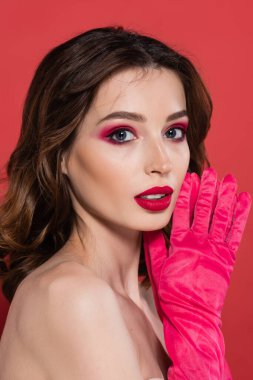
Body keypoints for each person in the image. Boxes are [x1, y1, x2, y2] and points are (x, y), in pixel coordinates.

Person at [0, 25, 251, 380]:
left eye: (173, 132)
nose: (161, 162)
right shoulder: (73, 298)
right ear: (60, 155)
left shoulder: (154, 300)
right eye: (121, 134)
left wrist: (199, 330)